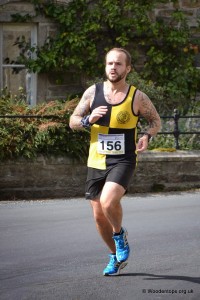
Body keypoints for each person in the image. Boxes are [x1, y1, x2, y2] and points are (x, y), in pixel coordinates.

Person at [69, 48, 161, 276]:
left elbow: (155, 121)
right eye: (110, 63)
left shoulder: (137, 97)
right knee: (99, 216)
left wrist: (146, 135)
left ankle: (119, 235)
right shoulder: (92, 92)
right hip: (96, 159)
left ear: (128, 68)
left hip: (124, 159)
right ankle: (114, 257)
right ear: (105, 66)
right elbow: (73, 121)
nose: (113, 67)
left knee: (109, 202)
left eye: (119, 64)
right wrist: (89, 119)